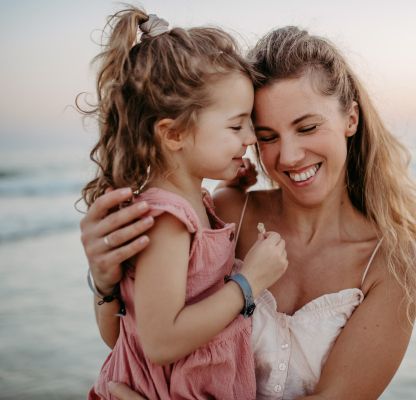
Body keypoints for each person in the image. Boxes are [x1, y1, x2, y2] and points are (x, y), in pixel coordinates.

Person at [81, 26, 416, 400]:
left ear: (350, 119)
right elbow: (134, 340)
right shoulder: (225, 214)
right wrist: (105, 282)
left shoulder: (395, 266)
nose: (288, 156)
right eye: (267, 136)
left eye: (306, 127)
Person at [79, 7, 289, 400]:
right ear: (174, 133)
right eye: (236, 125)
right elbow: (160, 341)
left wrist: (235, 184)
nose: (249, 138)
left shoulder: (190, 203)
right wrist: (250, 282)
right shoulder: (168, 221)